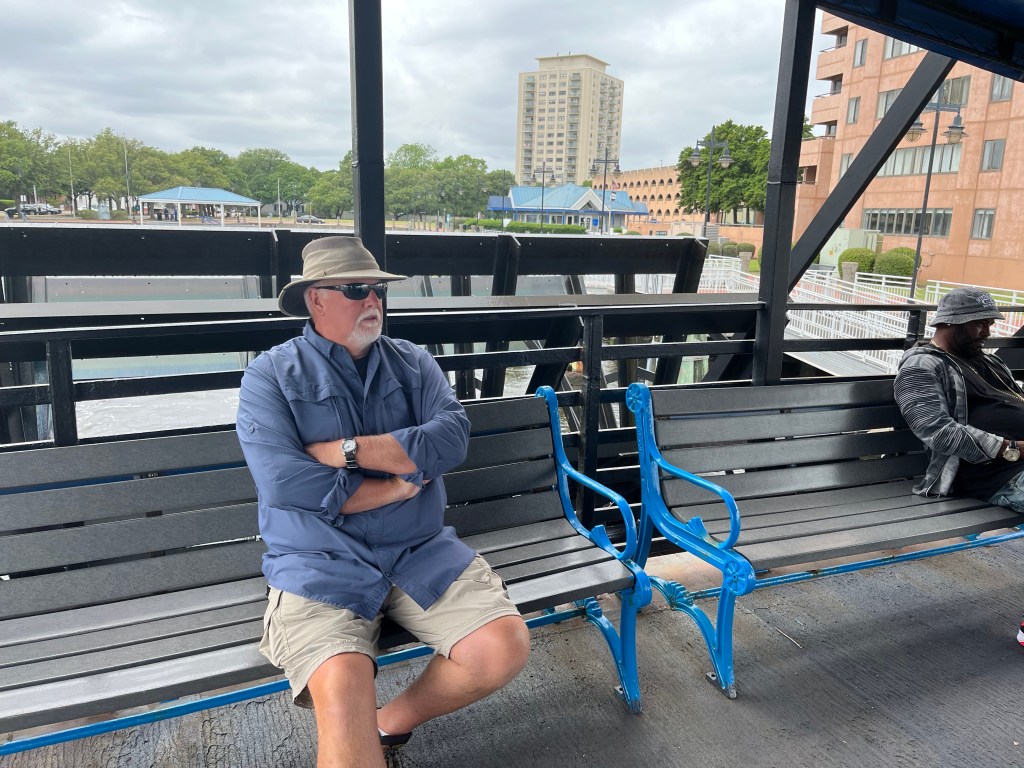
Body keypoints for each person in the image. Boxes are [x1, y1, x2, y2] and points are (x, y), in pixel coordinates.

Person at [236, 236, 530, 767]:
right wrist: (394, 485)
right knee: (343, 689)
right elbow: (286, 484)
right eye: (355, 289)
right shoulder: (269, 376)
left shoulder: (413, 362)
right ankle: (362, 734)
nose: (372, 300)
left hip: (420, 549)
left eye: (377, 289)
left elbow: (451, 439)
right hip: (320, 561)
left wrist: (346, 451)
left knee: (501, 648)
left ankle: (389, 723)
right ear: (315, 299)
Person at [893, 286, 1024, 647]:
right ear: (951, 322)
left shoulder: (987, 362)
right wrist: (1012, 449)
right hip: (987, 473)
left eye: (989, 323)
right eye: (979, 324)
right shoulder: (921, 366)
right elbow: (936, 430)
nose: (987, 331)